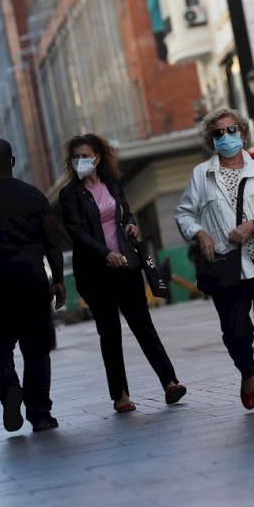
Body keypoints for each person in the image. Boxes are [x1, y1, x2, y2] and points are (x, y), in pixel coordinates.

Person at [175, 108, 254, 413]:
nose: (226, 137)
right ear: (210, 140)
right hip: (227, 265)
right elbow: (184, 213)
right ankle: (247, 372)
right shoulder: (202, 175)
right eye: (218, 133)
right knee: (236, 333)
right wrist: (200, 233)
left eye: (232, 130)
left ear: (242, 133)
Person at [59, 134, 187, 412]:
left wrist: (131, 225)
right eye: (76, 156)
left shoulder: (113, 185)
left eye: (86, 155)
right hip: (95, 273)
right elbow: (77, 233)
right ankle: (121, 396)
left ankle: (170, 383)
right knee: (110, 332)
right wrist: (106, 254)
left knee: (143, 324)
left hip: (126, 266)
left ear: (98, 157)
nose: (81, 161)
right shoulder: (70, 194)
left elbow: (125, 213)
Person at [0, 139, 67, 433]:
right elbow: (52, 243)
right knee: (36, 349)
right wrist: (58, 279)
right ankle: (40, 414)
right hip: (32, 279)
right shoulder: (34, 196)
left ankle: (8, 390)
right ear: (13, 162)